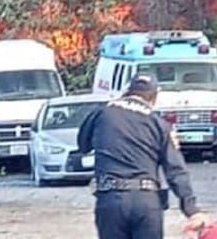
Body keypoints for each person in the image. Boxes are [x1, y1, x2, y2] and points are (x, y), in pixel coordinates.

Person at [77, 74, 209, 239]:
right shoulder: (159, 124)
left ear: (127, 91)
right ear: (154, 97)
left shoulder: (101, 113)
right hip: (146, 201)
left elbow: (83, 145)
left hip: (111, 198)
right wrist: (191, 209)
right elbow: (175, 169)